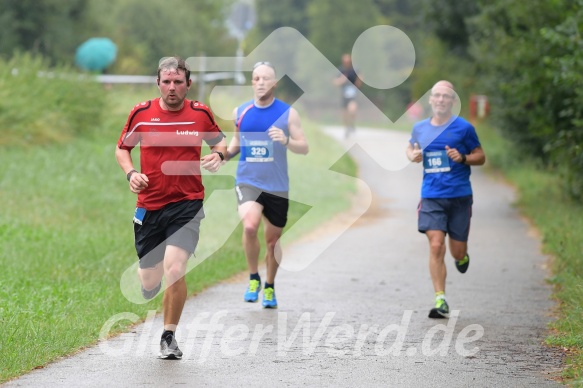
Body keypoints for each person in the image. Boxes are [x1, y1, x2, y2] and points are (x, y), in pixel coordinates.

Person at [115, 56, 227, 359]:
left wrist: (219, 156)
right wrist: (131, 173)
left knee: (175, 269)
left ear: (188, 84)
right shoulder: (141, 113)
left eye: (178, 82)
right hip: (149, 206)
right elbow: (122, 148)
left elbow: (220, 143)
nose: (172, 87)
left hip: (187, 204)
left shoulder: (200, 114)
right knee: (150, 278)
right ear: (158, 83)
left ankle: (169, 336)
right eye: (167, 82)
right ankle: (149, 285)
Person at [225, 61, 309, 309]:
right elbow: (237, 142)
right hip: (248, 181)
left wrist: (286, 141)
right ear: (252, 82)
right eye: (256, 78)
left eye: (265, 78)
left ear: (274, 83)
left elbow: (304, 147)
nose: (260, 82)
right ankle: (253, 278)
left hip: (277, 186)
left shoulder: (288, 114)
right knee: (250, 226)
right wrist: (223, 156)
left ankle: (270, 286)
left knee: (273, 241)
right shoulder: (240, 112)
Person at [406, 80, 486, 319]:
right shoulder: (420, 128)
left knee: (457, 253)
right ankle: (440, 299)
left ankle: (463, 257)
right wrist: (413, 155)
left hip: (460, 197)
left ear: (452, 101)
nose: (440, 100)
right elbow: (410, 148)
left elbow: (480, 157)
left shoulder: (464, 128)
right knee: (436, 245)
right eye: (437, 96)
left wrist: (462, 158)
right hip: (432, 197)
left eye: (445, 96)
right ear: (431, 100)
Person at [333, 53, 362, 138]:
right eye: (345, 61)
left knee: (352, 110)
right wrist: (342, 80)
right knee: (345, 114)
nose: (347, 63)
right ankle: (347, 128)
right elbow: (335, 82)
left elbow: (360, 78)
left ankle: (352, 123)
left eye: (348, 61)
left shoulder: (355, 69)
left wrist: (358, 83)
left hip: (353, 95)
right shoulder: (341, 70)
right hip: (344, 95)